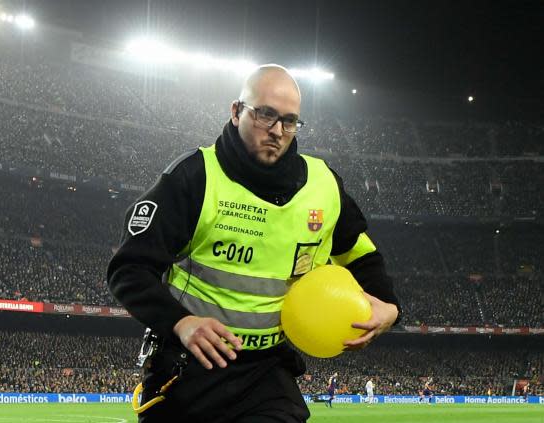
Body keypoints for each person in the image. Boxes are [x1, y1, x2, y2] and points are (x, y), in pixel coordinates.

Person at [107, 64, 401, 423]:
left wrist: (389, 306)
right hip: (187, 369)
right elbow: (129, 269)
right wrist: (181, 323)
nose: (278, 131)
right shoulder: (195, 177)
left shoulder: (323, 186)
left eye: (290, 121)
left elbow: (360, 254)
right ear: (236, 112)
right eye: (266, 115)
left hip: (265, 375)